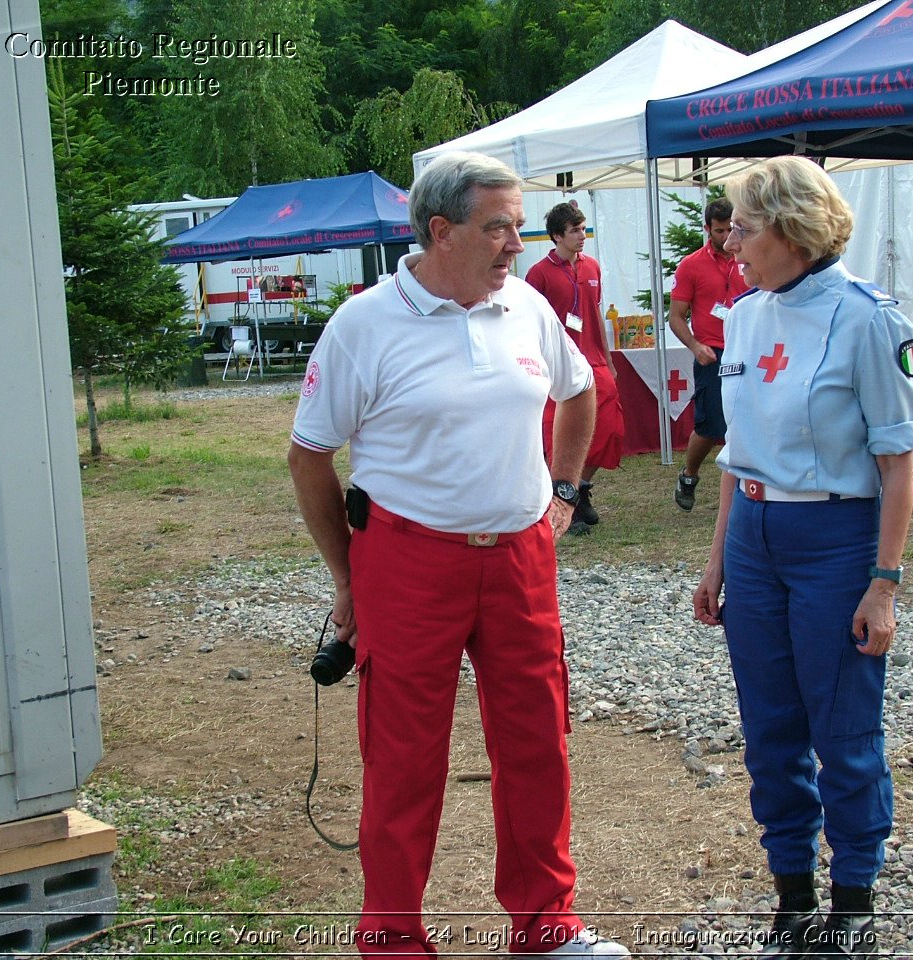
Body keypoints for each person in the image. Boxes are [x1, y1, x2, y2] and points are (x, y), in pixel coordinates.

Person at [287, 151, 629, 960]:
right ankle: (394, 941)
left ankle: (546, 929)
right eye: (498, 226)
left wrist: (564, 495)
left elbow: (578, 391)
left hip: (518, 559)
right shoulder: (363, 324)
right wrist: (350, 578)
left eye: (518, 223)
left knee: (538, 743)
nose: (517, 242)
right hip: (407, 564)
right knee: (404, 759)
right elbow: (309, 457)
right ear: (440, 231)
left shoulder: (525, 307)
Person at [692, 156, 913, 959]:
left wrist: (883, 584)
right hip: (755, 539)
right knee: (770, 729)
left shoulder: (869, 319)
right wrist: (718, 559)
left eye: (744, 228)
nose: (731, 245)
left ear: (792, 229)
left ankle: (854, 903)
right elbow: (737, 456)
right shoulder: (746, 315)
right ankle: (792, 895)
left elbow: (897, 463)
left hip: (836, 541)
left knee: (844, 729)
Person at [526, 202, 625, 535]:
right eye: (575, 230)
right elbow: (530, 322)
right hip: (557, 363)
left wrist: (608, 359)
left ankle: (579, 489)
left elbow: (594, 312)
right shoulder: (538, 273)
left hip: (593, 358)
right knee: (558, 434)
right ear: (556, 236)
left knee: (610, 427)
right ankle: (559, 507)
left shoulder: (592, 266)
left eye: (584, 229)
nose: (582, 236)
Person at [668, 197, 750, 511]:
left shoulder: (748, 258)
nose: (727, 236)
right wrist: (695, 346)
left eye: (732, 229)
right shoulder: (691, 265)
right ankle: (689, 474)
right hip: (711, 354)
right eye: (720, 230)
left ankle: (744, 487)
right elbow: (676, 317)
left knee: (746, 419)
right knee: (710, 425)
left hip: (746, 349)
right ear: (707, 229)